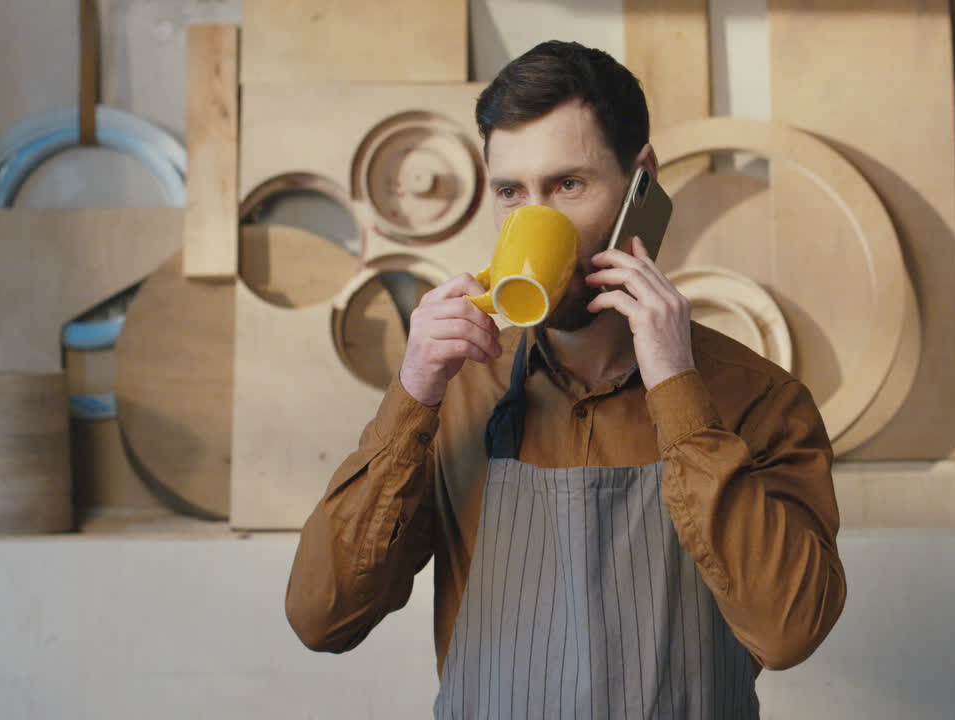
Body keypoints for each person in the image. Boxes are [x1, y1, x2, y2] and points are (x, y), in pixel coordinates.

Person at [285, 40, 845, 718]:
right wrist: (411, 398)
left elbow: (789, 632)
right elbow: (322, 618)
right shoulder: (459, 390)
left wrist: (678, 392)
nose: (534, 219)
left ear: (642, 179)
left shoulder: (758, 397)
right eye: (511, 192)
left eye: (568, 186)